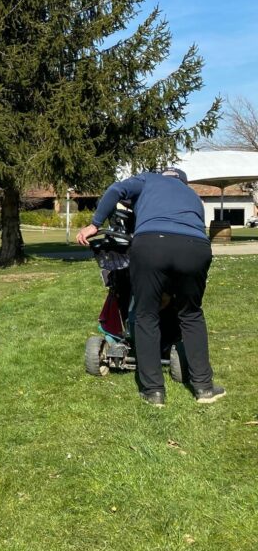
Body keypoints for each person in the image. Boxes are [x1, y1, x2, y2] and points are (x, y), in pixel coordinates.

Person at [77, 167, 226, 406]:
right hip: (196, 247)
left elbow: (116, 190)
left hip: (152, 243)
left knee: (146, 314)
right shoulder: (193, 196)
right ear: (182, 181)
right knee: (191, 314)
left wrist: (95, 224)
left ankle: (154, 391)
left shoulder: (147, 180)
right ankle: (204, 388)